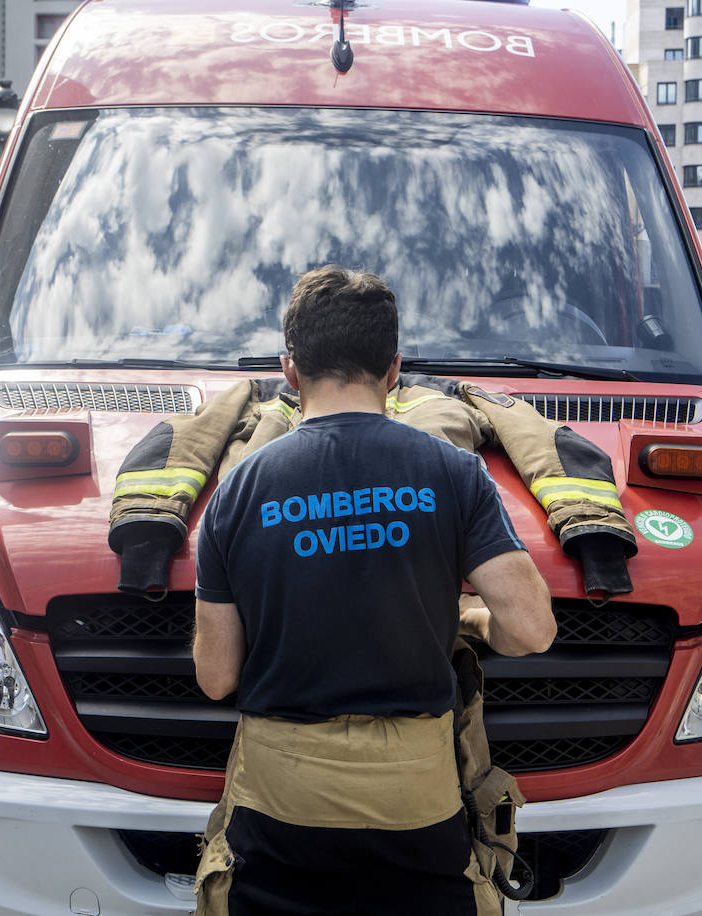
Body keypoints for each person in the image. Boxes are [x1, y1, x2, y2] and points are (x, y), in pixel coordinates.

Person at [191, 266, 556, 916]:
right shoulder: (454, 473)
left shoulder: (238, 492)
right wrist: (473, 623)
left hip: (278, 808)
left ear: (291, 371)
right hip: (417, 807)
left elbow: (217, 677)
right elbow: (530, 628)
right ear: (393, 370)